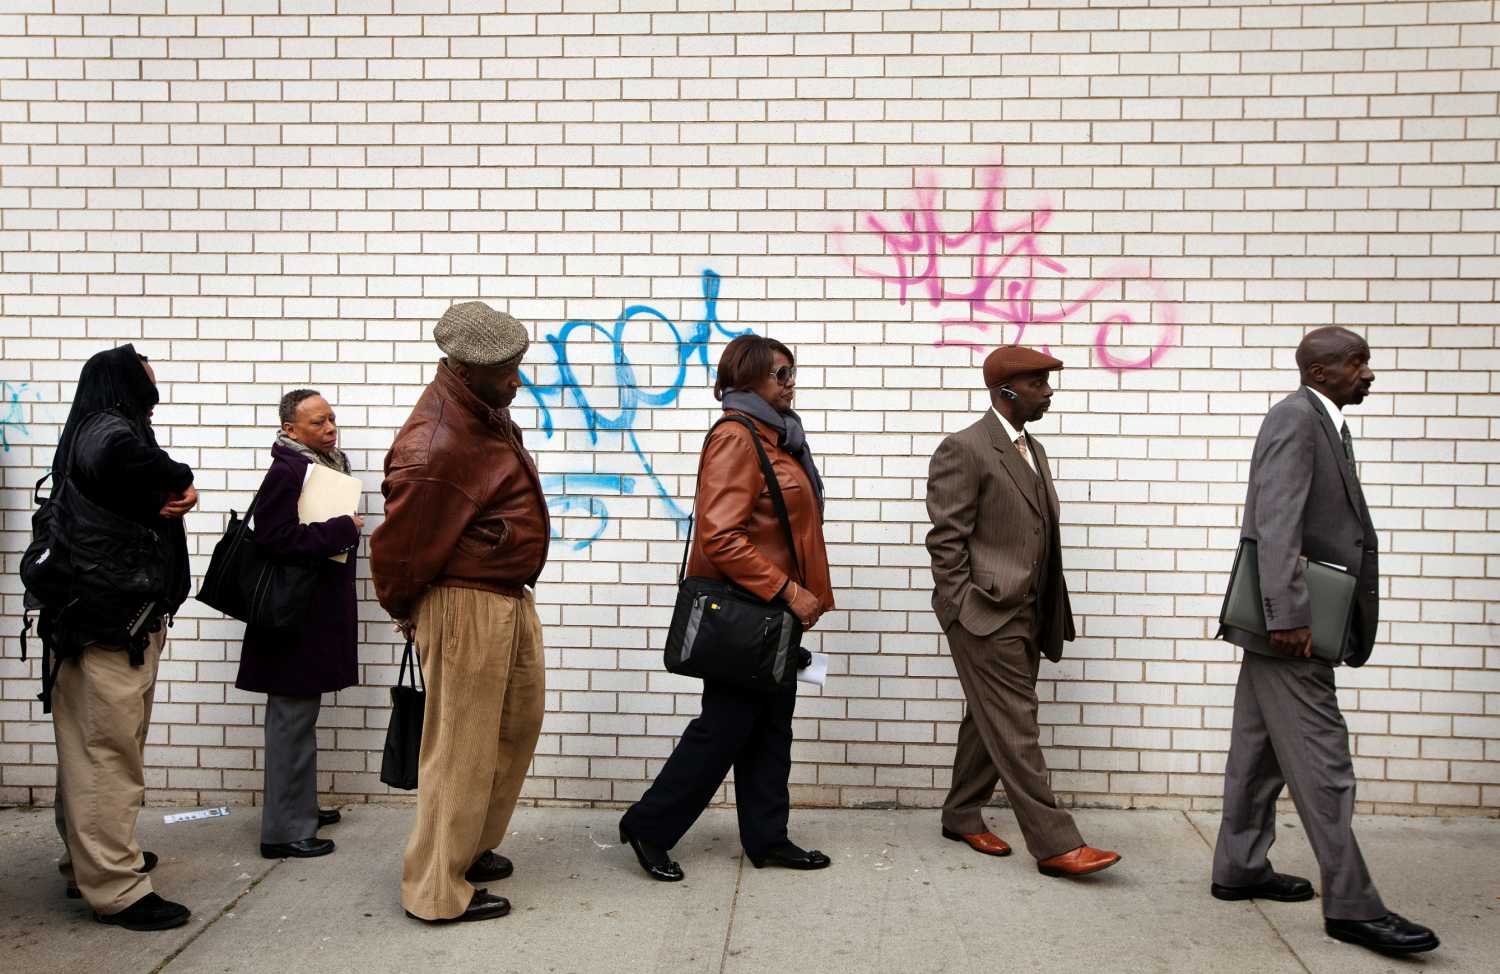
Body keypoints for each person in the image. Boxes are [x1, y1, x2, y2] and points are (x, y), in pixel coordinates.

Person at [1211, 327, 1439, 955]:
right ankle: (1353, 906)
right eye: (1357, 363)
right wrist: (1287, 614)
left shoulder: (1322, 420)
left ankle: (1240, 867)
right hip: (1291, 628)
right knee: (1325, 764)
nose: (1369, 374)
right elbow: (1274, 521)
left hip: (1284, 625)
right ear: (1321, 369)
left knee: (1257, 756)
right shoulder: (1295, 418)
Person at [618, 334, 835, 882]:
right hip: (752, 612)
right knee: (723, 729)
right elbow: (720, 537)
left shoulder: (780, 438)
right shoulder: (738, 438)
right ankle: (650, 824)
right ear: (747, 380)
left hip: (774, 617)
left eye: (792, 373)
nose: (790, 384)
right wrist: (788, 591)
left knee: (771, 728)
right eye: (780, 374)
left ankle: (767, 837)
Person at [370, 301, 548, 924]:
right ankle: (436, 890)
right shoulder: (436, 442)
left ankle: (468, 847)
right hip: (466, 602)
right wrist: (408, 609)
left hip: (503, 595)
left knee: (514, 727)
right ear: (467, 370)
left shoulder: (482, 412)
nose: (516, 380)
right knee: (461, 747)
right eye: (507, 371)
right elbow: (397, 549)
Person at [925, 346, 1121, 878]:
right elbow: (947, 541)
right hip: (986, 614)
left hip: (1029, 612)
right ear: (1007, 390)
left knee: (988, 717)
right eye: (1039, 383)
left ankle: (962, 813)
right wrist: (966, 608)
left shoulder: (1031, 448)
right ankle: (1056, 844)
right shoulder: (964, 448)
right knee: (1016, 724)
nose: (1049, 392)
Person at [47, 345, 198, 930]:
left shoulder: (96, 427)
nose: (154, 376)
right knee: (107, 756)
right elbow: (131, 463)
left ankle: (89, 861)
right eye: (146, 370)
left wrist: (176, 497)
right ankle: (117, 888)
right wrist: (181, 480)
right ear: (125, 380)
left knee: (93, 752)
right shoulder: (108, 429)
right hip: (109, 626)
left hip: (106, 621)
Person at [235, 389, 364, 860]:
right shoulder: (287, 470)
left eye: (332, 420)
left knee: (299, 718)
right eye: (317, 424)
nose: (330, 429)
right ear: (291, 430)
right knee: (291, 721)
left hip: (306, 614)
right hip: (290, 619)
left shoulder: (320, 467)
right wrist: (343, 529)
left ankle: (299, 806)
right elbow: (274, 539)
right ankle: (285, 831)